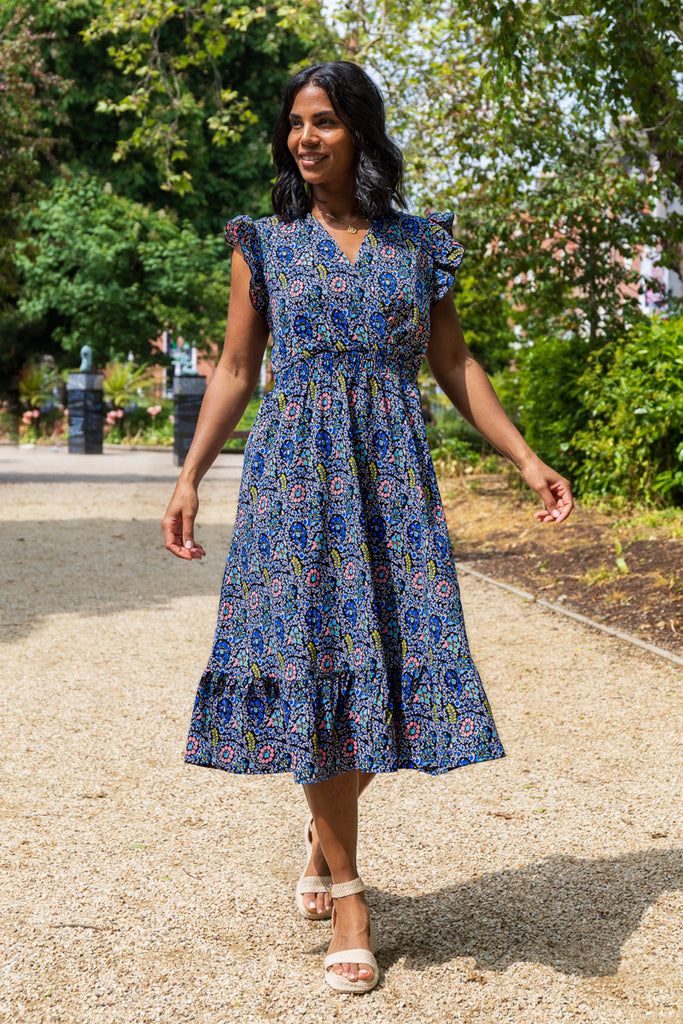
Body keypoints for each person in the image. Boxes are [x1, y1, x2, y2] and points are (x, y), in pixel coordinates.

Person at [162, 61, 573, 995]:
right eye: (296, 125)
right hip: (295, 480)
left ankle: (321, 830)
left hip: (391, 480)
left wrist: (524, 457)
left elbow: (454, 362)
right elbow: (232, 368)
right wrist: (189, 476)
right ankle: (348, 887)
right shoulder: (262, 242)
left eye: (325, 124)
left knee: (388, 664)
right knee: (311, 666)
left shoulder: (418, 244)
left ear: (361, 132)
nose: (305, 139)